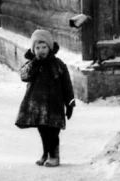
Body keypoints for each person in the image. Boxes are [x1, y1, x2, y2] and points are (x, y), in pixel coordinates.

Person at [15, 29, 75, 167]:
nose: (41, 51)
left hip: (54, 105)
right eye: (37, 48)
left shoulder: (58, 64)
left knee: (53, 132)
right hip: (37, 106)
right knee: (43, 131)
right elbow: (24, 76)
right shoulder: (32, 64)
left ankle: (54, 156)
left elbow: (67, 85)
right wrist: (35, 63)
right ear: (33, 49)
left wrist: (70, 103)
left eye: (44, 47)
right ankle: (45, 154)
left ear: (50, 48)